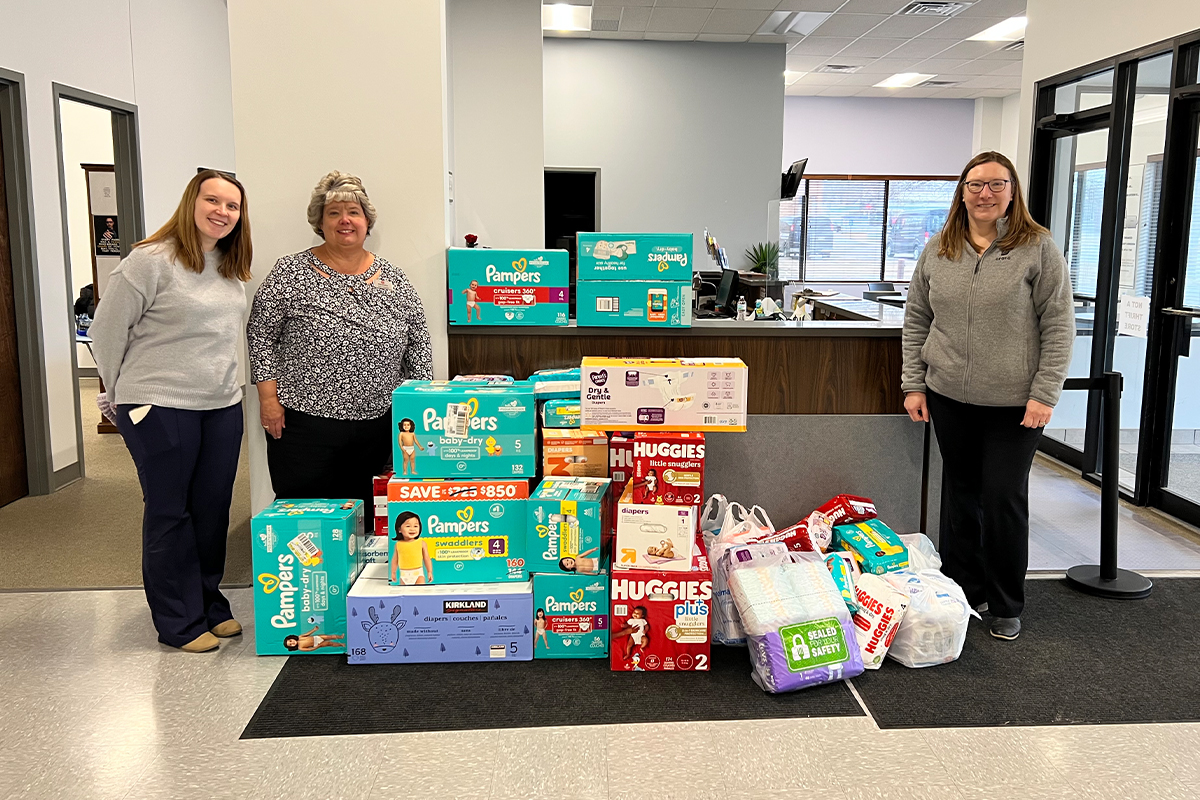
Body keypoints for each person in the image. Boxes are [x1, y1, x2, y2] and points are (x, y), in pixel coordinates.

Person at [901, 151, 1074, 642]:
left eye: (996, 185)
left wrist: (1045, 393)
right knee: (962, 496)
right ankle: (962, 587)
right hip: (950, 395)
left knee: (1002, 498)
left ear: (1012, 192)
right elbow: (917, 319)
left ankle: (1004, 601)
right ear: (962, 191)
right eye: (976, 185)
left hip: (1016, 404)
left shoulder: (1037, 247)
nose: (985, 194)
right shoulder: (940, 248)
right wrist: (914, 382)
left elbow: (1059, 325)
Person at [89, 170, 253, 653]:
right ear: (191, 202)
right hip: (158, 404)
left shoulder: (228, 264)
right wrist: (119, 394)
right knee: (170, 511)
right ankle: (178, 622)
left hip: (220, 404)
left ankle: (207, 604)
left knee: (211, 509)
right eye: (213, 200)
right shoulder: (149, 261)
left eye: (233, 206)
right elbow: (106, 332)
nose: (222, 212)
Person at [247, 171, 433, 512]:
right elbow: (260, 335)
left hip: (377, 424)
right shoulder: (290, 272)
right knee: (305, 513)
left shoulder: (395, 277)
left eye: (354, 212)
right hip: (304, 423)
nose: (345, 220)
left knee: (368, 515)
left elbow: (417, 342)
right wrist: (268, 400)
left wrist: (417, 410)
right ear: (320, 222)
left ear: (367, 222)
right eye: (334, 213)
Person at [390, 511, 432, 585]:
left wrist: (429, 571)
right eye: (408, 526)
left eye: (415, 526)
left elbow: (426, 558)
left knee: (420, 592)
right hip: (403, 574)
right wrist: (393, 572)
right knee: (404, 593)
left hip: (418, 573)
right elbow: (395, 559)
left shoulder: (421, 543)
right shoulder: (398, 544)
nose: (412, 529)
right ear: (399, 529)